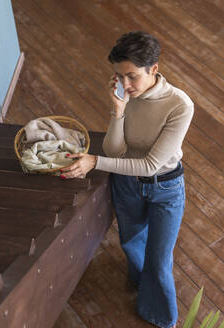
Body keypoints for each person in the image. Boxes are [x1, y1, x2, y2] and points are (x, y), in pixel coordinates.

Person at [61, 31, 194, 328]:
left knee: (160, 262)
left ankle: (162, 319)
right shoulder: (125, 94)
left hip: (165, 188)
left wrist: (94, 162)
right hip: (126, 184)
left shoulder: (180, 106)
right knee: (131, 243)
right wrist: (118, 110)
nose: (124, 84)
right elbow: (115, 149)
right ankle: (140, 282)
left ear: (154, 69)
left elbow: (149, 165)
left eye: (132, 76)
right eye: (119, 76)